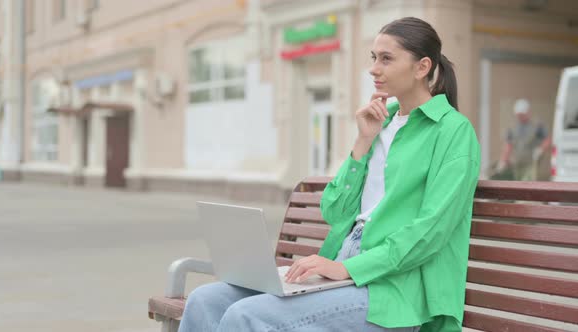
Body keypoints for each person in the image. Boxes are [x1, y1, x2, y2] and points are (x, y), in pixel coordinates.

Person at [178, 17, 480, 332]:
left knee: (247, 316)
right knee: (204, 300)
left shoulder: (453, 131)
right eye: (373, 57)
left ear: (422, 67)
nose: (374, 68)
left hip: (395, 291)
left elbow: (431, 231)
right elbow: (334, 211)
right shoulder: (382, 122)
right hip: (343, 264)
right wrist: (362, 142)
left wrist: (346, 268)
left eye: (387, 59)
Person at [497, 98, 551, 181]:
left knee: (528, 183)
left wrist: (540, 149)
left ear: (528, 113)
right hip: (517, 164)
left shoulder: (537, 126)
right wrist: (503, 160)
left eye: (522, 114)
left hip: (532, 164)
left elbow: (547, 139)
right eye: (518, 115)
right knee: (518, 184)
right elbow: (508, 145)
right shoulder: (512, 128)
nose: (520, 117)